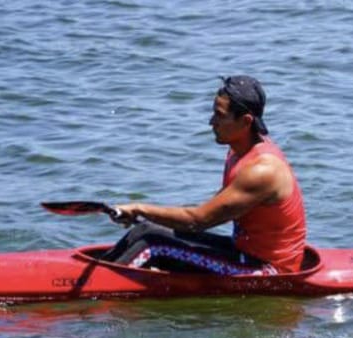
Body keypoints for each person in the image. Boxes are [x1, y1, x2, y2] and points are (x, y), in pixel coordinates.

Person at [107, 75, 308, 274]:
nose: (211, 122)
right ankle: (96, 270)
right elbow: (210, 211)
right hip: (241, 252)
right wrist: (144, 218)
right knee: (144, 231)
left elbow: (199, 221)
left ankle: (98, 286)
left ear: (246, 121)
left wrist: (139, 208)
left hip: (268, 269)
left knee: (154, 245)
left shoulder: (262, 171)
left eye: (220, 116)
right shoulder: (236, 153)